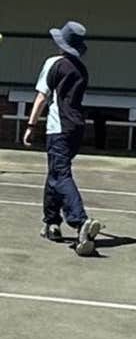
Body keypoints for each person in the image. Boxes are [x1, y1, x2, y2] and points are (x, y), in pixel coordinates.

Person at [23, 20, 101, 258]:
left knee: (61, 175)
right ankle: (51, 223)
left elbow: (41, 97)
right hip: (76, 127)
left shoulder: (53, 63)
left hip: (58, 128)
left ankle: (80, 223)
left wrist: (30, 125)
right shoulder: (81, 69)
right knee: (55, 173)